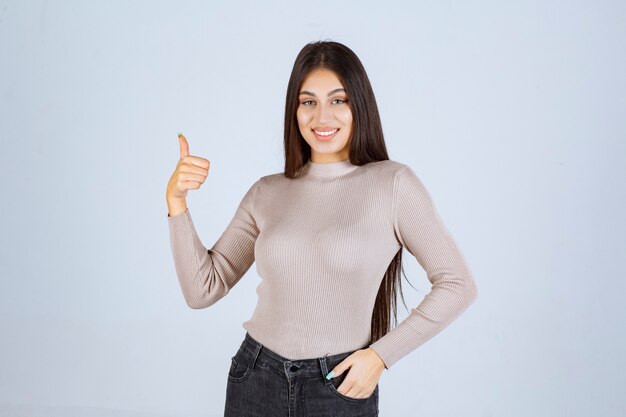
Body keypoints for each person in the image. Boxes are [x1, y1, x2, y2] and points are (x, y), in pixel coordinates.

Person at [165, 40, 478, 417]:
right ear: (294, 111)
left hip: (339, 384)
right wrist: (177, 203)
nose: (321, 117)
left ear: (359, 105)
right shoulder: (267, 191)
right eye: (308, 101)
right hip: (256, 377)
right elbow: (203, 290)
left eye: (338, 100)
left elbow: (457, 283)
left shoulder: (393, 184)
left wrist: (380, 356)